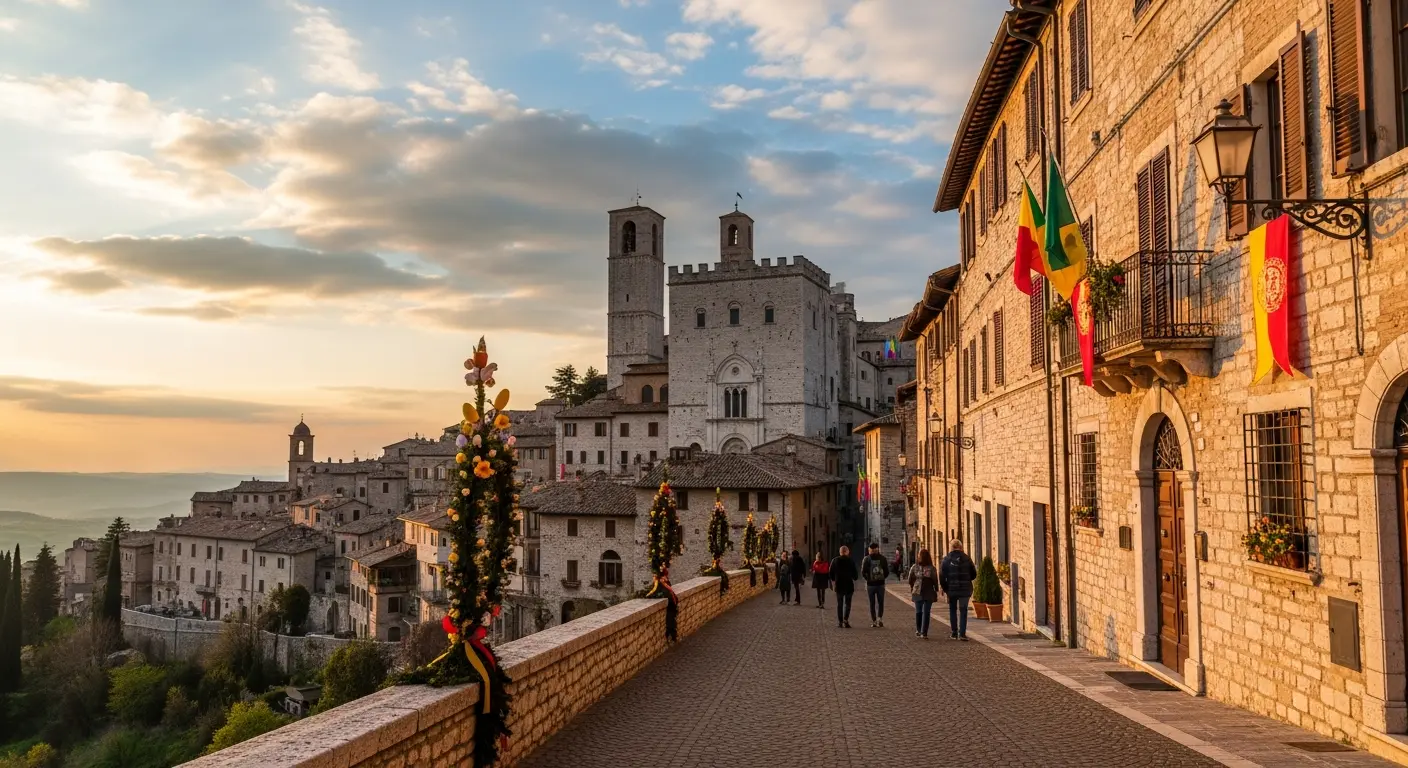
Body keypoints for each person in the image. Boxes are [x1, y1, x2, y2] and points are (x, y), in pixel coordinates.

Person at [939, 539, 977, 640]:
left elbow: (942, 576)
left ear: (951, 547)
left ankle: (954, 632)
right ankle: (962, 634)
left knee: (952, 610)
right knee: (963, 611)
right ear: (961, 547)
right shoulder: (967, 558)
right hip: (965, 589)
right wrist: (967, 579)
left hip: (952, 589)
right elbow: (974, 574)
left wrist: (945, 588)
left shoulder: (946, 559)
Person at [907, 549, 940, 639]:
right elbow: (935, 580)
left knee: (919, 611)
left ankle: (918, 630)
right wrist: (936, 589)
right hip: (928, 590)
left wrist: (912, 586)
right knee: (926, 612)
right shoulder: (932, 568)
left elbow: (910, 579)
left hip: (917, 590)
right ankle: (924, 632)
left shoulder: (915, 567)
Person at [828, 545, 858, 628]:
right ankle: (846, 620)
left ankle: (840, 622)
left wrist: (834, 580)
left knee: (840, 604)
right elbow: (855, 576)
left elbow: (830, 573)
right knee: (848, 604)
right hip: (848, 585)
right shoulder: (851, 561)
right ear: (847, 552)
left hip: (839, 585)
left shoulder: (835, 560)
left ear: (840, 552)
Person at [861, 542, 889, 628]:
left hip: (871, 585)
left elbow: (863, 572)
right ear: (878, 549)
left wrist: (868, 579)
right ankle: (880, 618)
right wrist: (882, 578)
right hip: (880, 584)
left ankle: (874, 621)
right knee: (881, 602)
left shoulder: (867, 559)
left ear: (869, 550)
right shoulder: (883, 558)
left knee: (872, 603)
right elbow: (887, 571)